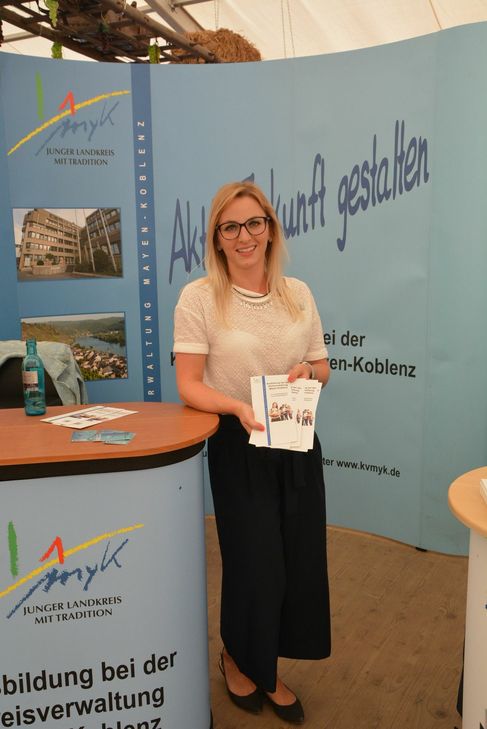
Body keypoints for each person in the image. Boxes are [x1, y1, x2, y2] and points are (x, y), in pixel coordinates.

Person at [173, 181, 331, 725]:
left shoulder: (298, 292)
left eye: (254, 223)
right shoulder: (199, 297)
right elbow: (188, 385)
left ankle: (264, 662)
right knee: (253, 562)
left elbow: (322, 366)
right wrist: (236, 408)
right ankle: (242, 660)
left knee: (296, 562)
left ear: (270, 229)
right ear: (217, 238)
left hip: (296, 440)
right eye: (231, 227)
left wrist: (309, 372)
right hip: (238, 443)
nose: (245, 236)